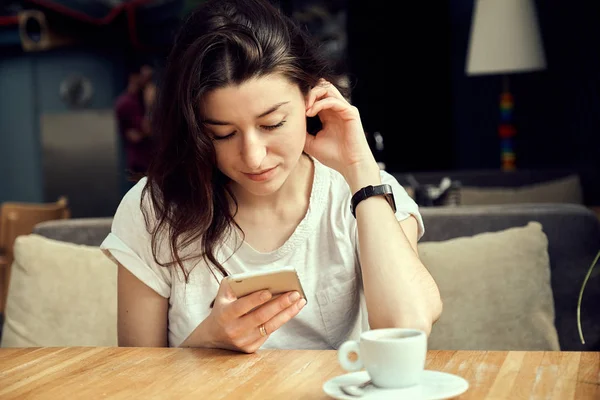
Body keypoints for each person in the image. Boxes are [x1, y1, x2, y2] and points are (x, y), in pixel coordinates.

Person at [100, 0, 443, 352]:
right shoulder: (154, 209)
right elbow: (136, 376)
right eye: (222, 133)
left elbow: (408, 326)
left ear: (313, 99)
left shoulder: (362, 192)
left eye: (272, 124)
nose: (253, 156)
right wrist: (209, 341)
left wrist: (360, 168)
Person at [114, 63, 156, 182]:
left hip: (152, 163)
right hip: (139, 165)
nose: (147, 82)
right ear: (134, 77)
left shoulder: (141, 99)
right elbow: (145, 131)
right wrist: (149, 105)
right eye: (145, 77)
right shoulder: (126, 103)